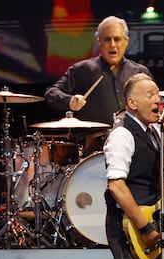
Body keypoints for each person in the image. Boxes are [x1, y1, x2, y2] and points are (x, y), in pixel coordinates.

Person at [103, 73, 164, 259]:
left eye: (157, 95)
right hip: (129, 225)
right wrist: (145, 227)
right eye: (150, 95)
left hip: (153, 220)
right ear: (132, 102)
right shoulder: (122, 135)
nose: (157, 100)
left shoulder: (156, 134)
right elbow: (116, 186)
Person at [44, 15, 153, 156]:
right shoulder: (82, 70)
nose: (112, 45)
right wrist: (70, 101)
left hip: (134, 146)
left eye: (117, 39)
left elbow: (157, 105)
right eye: (107, 39)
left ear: (126, 42)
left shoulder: (139, 72)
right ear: (99, 42)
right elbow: (51, 93)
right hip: (93, 150)